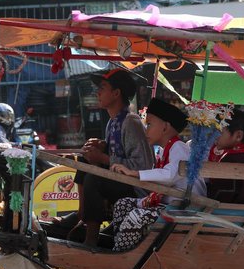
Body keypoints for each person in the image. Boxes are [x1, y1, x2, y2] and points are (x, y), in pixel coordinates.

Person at [63, 68, 154, 245]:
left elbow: (143, 165)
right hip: (120, 181)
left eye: (102, 87)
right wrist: (102, 147)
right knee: (85, 158)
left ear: (116, 93)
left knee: (93, 179)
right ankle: (81, 214)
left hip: (136, 188)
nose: (97, 92)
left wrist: (104, 158)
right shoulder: (113, 122)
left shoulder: (131, 122)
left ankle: (91, 239)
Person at [110, 97, 206, 252]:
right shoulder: (163, 150)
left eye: (149, 124)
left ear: (165, 127)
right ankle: (121, 249)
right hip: (168, 204)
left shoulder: (179, 147)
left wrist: (134, 173)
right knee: (122, 204)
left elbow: (169, 175)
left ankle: (124, 256)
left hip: (183, 208)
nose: (145, 129)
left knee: (136, 216)